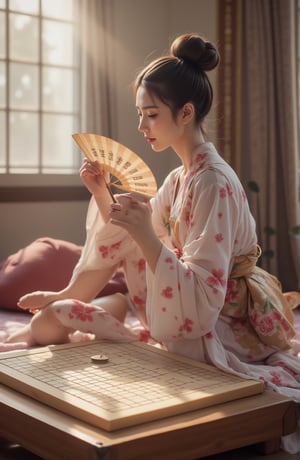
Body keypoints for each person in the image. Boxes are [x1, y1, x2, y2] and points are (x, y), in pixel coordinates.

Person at [2, 33, 300, 452]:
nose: (141, 126)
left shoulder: (212, 181)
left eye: (151, 114)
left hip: (219, 321)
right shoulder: (181, 178)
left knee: (62, 312)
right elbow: (123, 232)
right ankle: (80, 299)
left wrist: (146, 236)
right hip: (183, 304)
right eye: (140, 113)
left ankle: (105, 312)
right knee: (121, 234)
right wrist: (101, 191)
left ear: (186, 112)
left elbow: (202, 296)